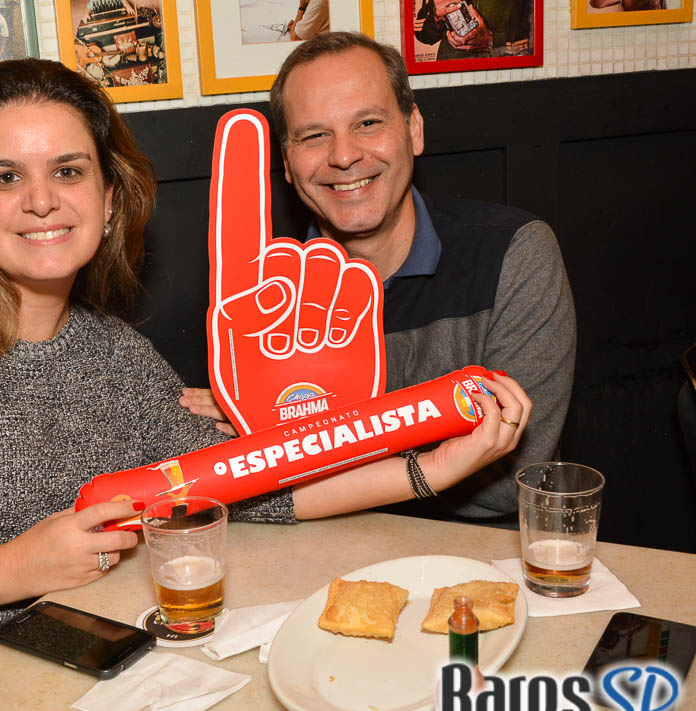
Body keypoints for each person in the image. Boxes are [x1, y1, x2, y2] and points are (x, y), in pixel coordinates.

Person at [0, 57, 529, 711]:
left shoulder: (113, 356)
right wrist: (18, 566)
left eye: (69, 171)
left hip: (40, 707)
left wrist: (429, 469)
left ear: (110, 200)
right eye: (6, 177)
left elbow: (246, 484)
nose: (41, 201)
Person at [183, 32, 573, 522]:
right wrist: (261, 428)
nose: (344, 156)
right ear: (286, 162)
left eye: (368, 123)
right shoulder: (260, 300)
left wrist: (284, 439)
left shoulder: (513, 251)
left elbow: (512, 480)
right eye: (313, 135)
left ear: (414, 129)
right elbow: (237, 491)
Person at [414, 0, 531, 59]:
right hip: (451, 72)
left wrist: (492, 40)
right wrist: (436, 17)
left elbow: (537, 30)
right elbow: (421, 31)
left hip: (502, 71)